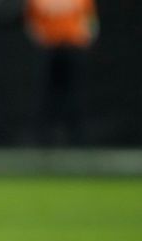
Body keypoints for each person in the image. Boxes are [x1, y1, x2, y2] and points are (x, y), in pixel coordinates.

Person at [25, 0, 98, 145]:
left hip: (73, 46)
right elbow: (32, 23)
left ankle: (77, 136)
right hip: (50, 48)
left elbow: (90, 21)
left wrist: (84, 38)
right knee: (49, 92)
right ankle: (46, 136)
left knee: (74, 91)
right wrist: (44, 39)